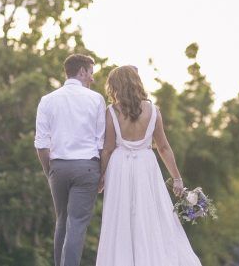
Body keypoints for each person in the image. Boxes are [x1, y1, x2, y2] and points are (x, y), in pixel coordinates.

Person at [96, 65, 202, 266]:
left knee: (121, 218)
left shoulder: (111, 111)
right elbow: (163, 147)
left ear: (116, 85)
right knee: (151, 215)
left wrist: (101, 177)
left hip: (119, 167)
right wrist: (177, 178)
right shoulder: (153, 110)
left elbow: (108, 149)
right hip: (146, 165)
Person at [34, 54, 106, 266]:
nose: (92, 79)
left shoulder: (47, 100)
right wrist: (102, 173)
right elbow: (101, 143)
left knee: (62, 222)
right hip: (87, 168)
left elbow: (41, 144)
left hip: (58, 168)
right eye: (91, 74)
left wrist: (50, 172)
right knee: (76, 225)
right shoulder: (96, 99)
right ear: (82, 72)